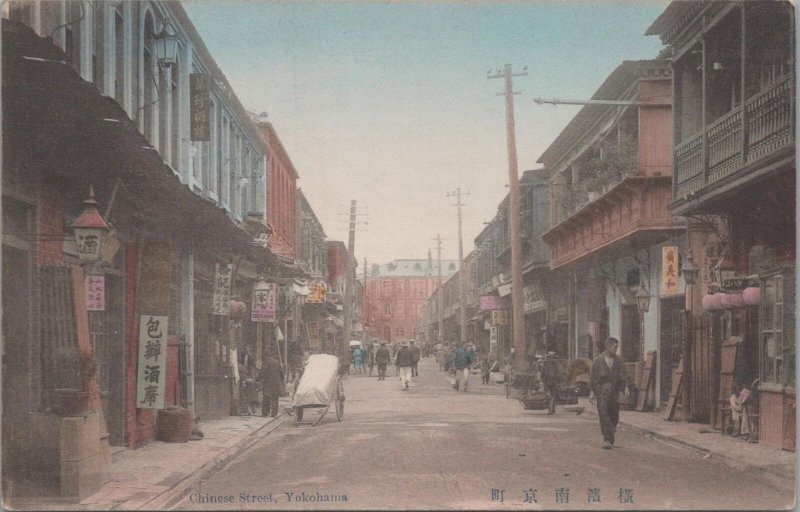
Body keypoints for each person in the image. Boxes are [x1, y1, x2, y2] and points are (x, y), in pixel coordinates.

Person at [589, 337, 629, 449]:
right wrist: (592, 393)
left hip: (614, 391)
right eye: (614, 347)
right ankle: (607, 439)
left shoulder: (619, 360)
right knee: (603, 414)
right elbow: (592, 378)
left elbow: (623, 375)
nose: (616, 350)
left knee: (614, 414)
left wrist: (625, 387)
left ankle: (611, 430)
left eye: (617, 347)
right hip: (601, 391)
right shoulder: (597, 361)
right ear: (608, 347)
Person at [260, 350, 285, 417]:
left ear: (266, 356)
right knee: (275, 398)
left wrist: (258, 379)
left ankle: (265, 413)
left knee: (266, 397)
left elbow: (263, 372)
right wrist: (281, 381)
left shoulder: (266, 362)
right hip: (276, 383)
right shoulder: (277, 362)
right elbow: (282, 373)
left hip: (268, 383)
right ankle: (274, 413)